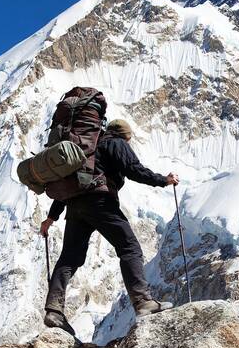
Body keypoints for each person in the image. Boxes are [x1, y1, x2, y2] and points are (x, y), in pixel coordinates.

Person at [38, 118, 178, 333]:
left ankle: (54, 311)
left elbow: (69, 185)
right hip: (101, 203)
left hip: (75, 206)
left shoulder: (85, 151)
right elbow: (133, 170)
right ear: (125, 135)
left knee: (69, 258)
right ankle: (143, 303)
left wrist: (52, 218)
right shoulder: (116, 143)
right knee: (129, 248)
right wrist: (163, 180)